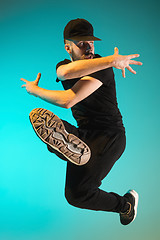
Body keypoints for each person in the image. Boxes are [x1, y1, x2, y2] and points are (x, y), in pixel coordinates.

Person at [21, 18, 142, 225]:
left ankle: (125, 205)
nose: (88, 47)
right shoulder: (65, 66)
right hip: (85, 134)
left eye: (91, 43)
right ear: (68, 47)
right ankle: (67, 145)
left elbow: (69, 100)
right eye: (81, 43)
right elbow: (64, 72)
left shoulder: (101, 66)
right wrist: (33, 90)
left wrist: (111, 61)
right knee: (75, 195)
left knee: (78, 190)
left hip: (109, 137)